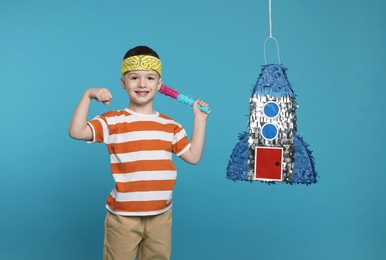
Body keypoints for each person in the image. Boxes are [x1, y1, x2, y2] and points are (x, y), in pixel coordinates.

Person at [68, 45, 209, 260]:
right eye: (134, 78)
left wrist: (199, 121)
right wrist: (88, 95)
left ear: (159, 84)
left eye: (150, 78)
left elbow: (194, 157)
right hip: (123, 218)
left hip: (161, 216)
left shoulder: (170, 126)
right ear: (123, 83)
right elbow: (76, 132)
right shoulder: (112, 121)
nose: (142, 84)